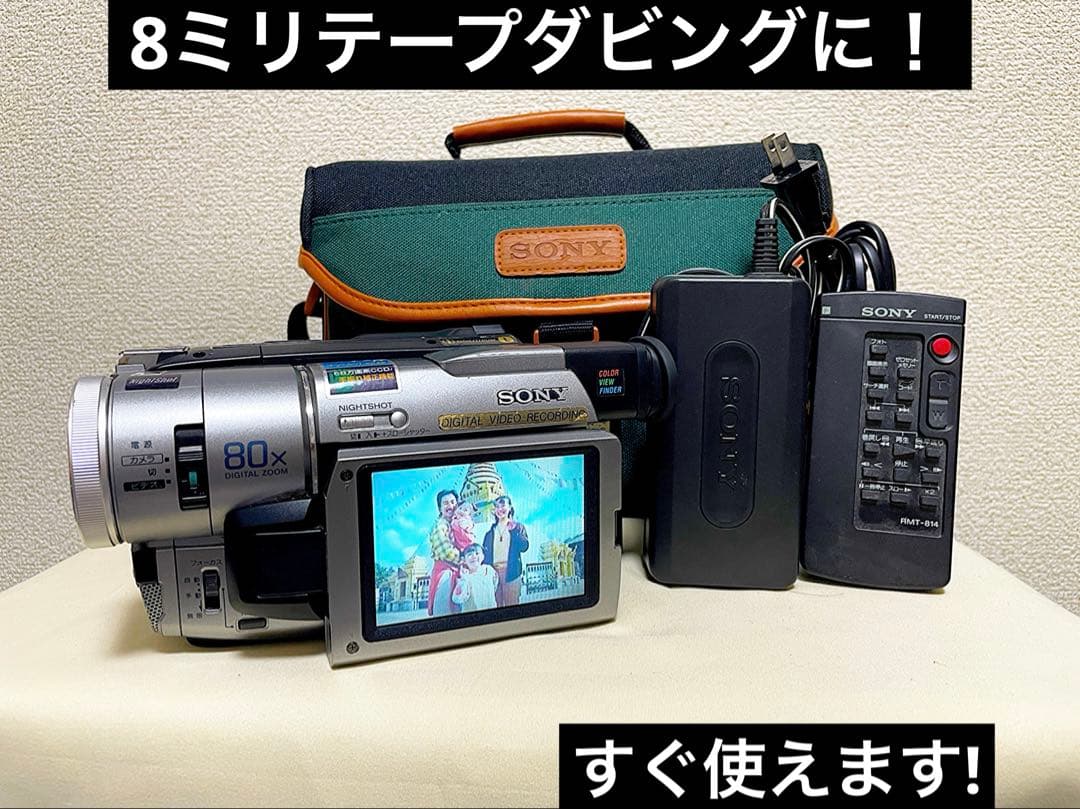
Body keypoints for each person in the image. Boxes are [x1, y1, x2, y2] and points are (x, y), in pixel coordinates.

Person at [482, 495, 529, 607]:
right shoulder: (489, 533)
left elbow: (524, 547)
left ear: (510, 508)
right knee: (496, 605)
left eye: (503, 505)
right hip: (494, 573)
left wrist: (514, 531)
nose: (500, 509)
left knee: (511, 606)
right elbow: (484, 555)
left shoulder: (518, 527)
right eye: (497, 506)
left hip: (511, 573)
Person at [426, 489, 459, 616]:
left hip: (457, 572)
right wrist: (465, 560)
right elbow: (445, 552)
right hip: (445, 573)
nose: (450, 506)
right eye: (445, 503)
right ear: (440, 509)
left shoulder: (456, 525)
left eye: (453, 502)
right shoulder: (440, 526)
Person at [451, 543, 498, 613]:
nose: (474, 556)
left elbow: (495, 583)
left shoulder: (489, 570)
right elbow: (457, 598)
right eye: (469, 555)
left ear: (483, 556)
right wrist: (464, 580)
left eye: (477, 553)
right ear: (464, 560)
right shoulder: (465, 577)